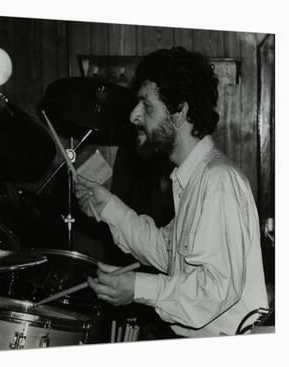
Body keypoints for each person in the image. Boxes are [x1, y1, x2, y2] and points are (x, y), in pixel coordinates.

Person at [75, 47, 268, 337]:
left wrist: (138, 287)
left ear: (180, 113)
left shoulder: (219, 181)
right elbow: (169, 253)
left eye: (146, 105)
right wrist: (108, 207)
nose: (133, 116)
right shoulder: (193, 180)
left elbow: (215, 290)